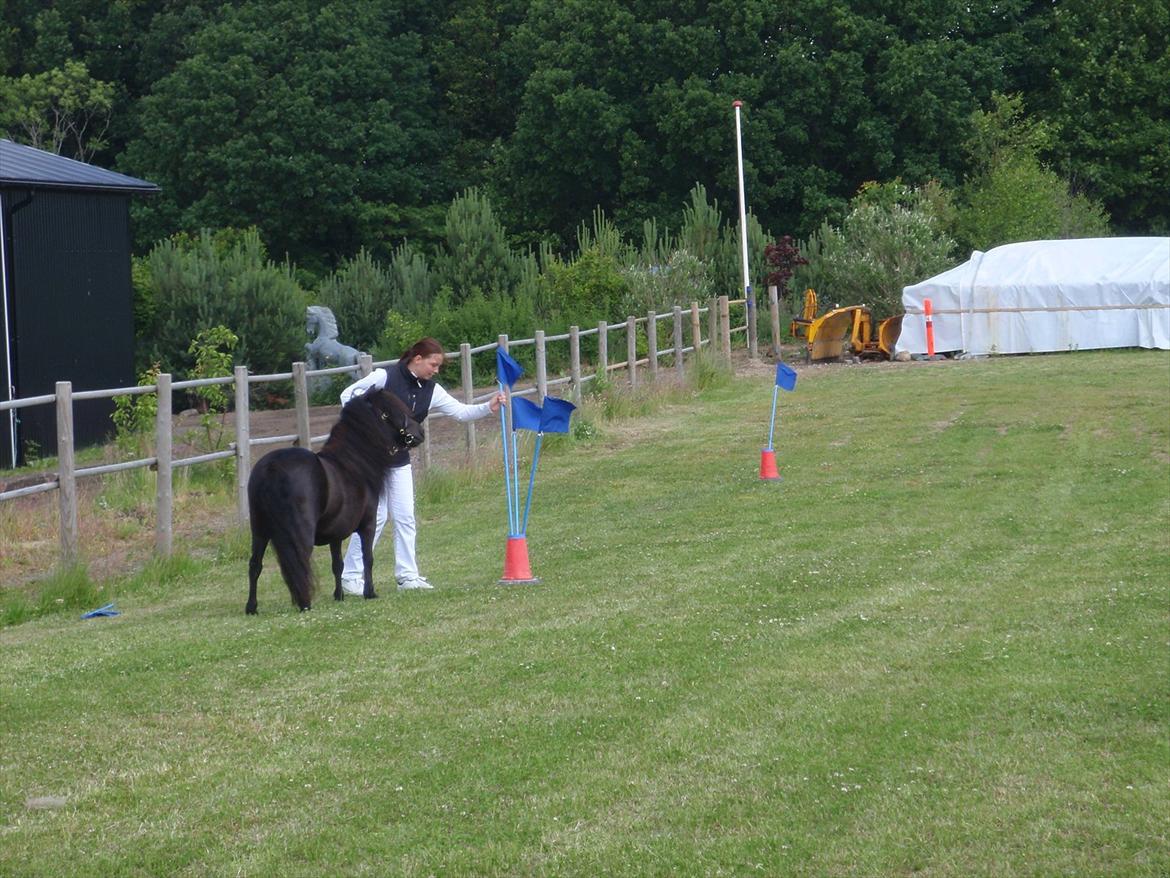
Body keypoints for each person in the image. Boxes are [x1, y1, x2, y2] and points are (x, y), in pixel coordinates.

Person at [338, 338, 505, 592]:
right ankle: (351, 576)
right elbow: (347, 395)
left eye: (438, 366)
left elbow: (460, 412)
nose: (435, 370)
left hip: (400, 460)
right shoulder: (385, 377)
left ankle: (407, 577)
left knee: (405, 517)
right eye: (433, 364)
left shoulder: (432, 390)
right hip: (371, 460)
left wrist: (487, 407)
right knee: (376, 516)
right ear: (417, 359)